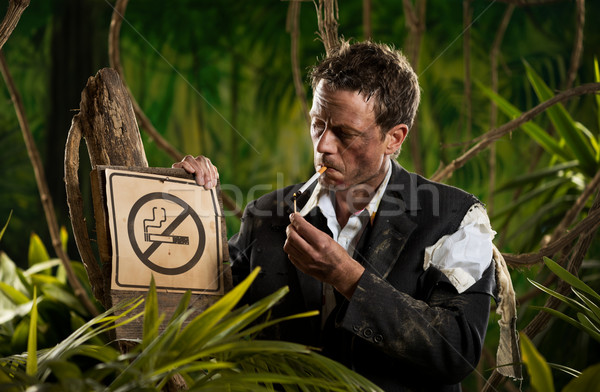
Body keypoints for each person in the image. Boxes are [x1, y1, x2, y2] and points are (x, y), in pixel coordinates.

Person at [174, 40, 498, 391]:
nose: (323, 145)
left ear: (394, 138)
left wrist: (349, 278)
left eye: (344, 133)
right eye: (317, 124)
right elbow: (192, 311)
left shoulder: (456, 218)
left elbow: (458, 352)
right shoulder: (265, 214)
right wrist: (181, 197)